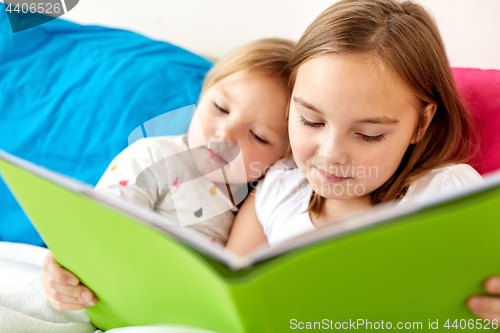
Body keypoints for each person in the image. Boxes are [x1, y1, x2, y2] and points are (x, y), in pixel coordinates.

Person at [225, 0, 492, 320]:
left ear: (421, 123)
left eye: (368, 134)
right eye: (311, 121)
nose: (330, 154)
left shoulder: (450, 196)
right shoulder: (278, 190)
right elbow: (228, 298)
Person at [40, 38, 294, 311]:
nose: (225, 135)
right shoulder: (154, 158)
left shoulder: (259, 204)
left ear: (283, 157)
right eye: (220, 108)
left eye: (258, 136)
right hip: (104, 298)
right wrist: (62, 273)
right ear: (202, 96)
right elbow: (92, 231)